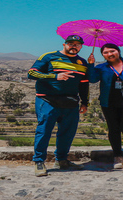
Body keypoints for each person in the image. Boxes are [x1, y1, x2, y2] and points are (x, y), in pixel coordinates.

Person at [28, 35, 89, 177]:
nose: (74, 46)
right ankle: (39, 161)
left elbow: (84, 84)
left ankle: (61, 160)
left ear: (81, 47)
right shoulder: (49, 57)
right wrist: (54, 76)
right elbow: (31, 73)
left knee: (67, 133)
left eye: (77, 44)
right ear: (64, 44)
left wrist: (85, 102)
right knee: (44, 131)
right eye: (71, 43)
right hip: (47, 101)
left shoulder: (82, 62)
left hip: (71, 102)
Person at [88, 43, 123, 169]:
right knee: (113, 129)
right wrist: (90, 64)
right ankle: (117, 157)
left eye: (112, 51)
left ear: (118, 51)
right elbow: (92, 79)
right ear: (103, 55)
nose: (109, 54)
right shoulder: (101, 67)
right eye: (106, 52)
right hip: (108, 103)